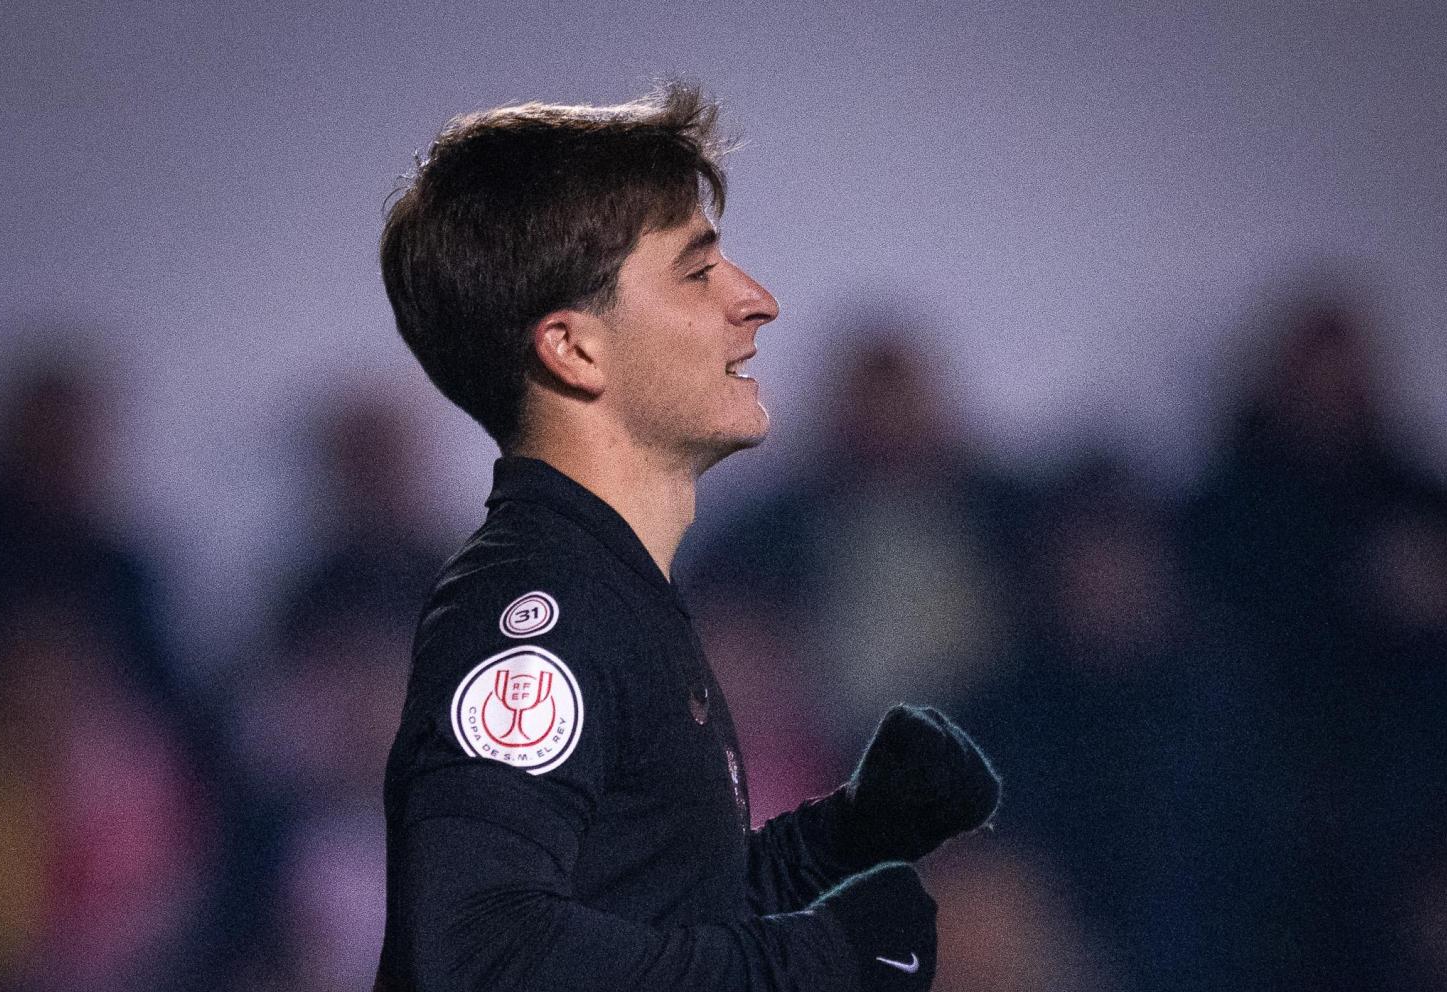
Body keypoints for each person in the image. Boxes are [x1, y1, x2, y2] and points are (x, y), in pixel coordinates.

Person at [371, 83, 1001, 992]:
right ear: (573, 349)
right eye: (698, 271)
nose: (757, 301)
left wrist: (850, 834)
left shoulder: (614, 586)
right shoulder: (537, 610)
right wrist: (814, 963)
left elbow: (649, 914)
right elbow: (479, 953)